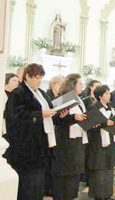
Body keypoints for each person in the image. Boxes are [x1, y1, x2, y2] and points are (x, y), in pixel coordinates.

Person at [4, 63, 62, 200]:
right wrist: (40, 114)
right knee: (28, 183)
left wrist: (60, 113)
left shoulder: (40, 93)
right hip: (26, 147)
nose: (39, 81)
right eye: (36, 78)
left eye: (41, 78)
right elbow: (15, 117)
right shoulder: (18, 93)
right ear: (27, 76)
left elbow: (50, 109)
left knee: (38, 183)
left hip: (40, 144)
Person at [52, 73, 88, 200]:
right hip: (66, 142)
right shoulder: (63, 98)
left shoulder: (79, 99)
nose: (82, 86)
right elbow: (56, 120)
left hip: (78, 139)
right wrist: (73, 117)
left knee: (74, 172)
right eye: (80, 84)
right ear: (72, 85)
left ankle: (71, 196)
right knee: (65, 173)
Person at [86, 85, 115, 200]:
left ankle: (107, 193)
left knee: (109, 167)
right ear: (100, 96)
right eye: (107, 93)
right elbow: (90, 126)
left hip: (110, 141)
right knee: (99, 168)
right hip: (97, 142)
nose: (109, 95)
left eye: (109, 93)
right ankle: (98, 194)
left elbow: (114, 122)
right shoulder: (93, 108)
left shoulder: (111, 107)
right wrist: (104, 123)